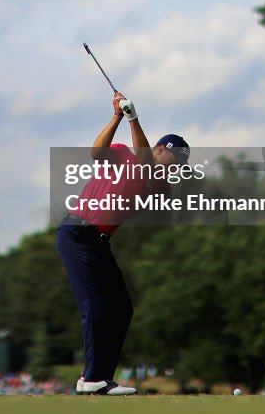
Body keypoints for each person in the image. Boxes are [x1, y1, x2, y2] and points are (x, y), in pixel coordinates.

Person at [57, 91, 189, 396]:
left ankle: (99, 376)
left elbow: (144, 163)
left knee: (122, 308)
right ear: (161, 149)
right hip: (77, 232)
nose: (177, 165)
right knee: (98, 304)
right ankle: (93, 379)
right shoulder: (122, 153)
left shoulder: (159, 182)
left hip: (98, 241)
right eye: (176, 157)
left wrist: (133, 118)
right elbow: (96, 152)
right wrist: (118, 116)